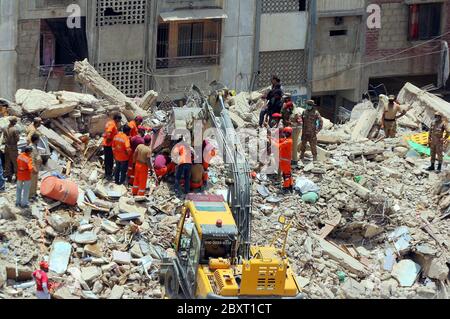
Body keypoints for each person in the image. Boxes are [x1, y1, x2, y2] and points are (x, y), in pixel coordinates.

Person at [103, 113, 122, 181]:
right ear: (116, 119)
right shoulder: (112, 124)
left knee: (107, 160)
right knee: (109, 160)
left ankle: (107, 173)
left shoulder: (109, 122)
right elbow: (109, 132)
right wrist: (110, 139)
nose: (119, 122)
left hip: (107, 144)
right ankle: (108, 174)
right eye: (119, 120)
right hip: (109, 145)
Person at [275, 127, 294, 192]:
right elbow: (280, 140)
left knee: (286, 175)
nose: (285, 134)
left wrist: (271, 141)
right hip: (285, 160)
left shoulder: (288, 141)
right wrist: (271, 138)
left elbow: (278, 145)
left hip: (285, 161)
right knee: (288, 173)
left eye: (286, 132)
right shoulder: (287, 139)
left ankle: (286, 187)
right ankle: (290, 185)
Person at [2, 117, 20, 182]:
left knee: (7, 163)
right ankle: (17, 177)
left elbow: (4, 137)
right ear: (14, 122)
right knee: (16, 163)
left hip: (6, 147)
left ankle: (9, 177)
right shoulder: (15, 129)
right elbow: (17, 139)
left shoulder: (4, 128)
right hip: (13, 148)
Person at [30, 134, 43, 201]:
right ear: (35, 140)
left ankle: (34, 193)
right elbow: (31, 159)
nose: (39, 141)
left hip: (36, 166)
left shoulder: (35, 146)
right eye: (38, 139)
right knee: (32, 181)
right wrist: (34, 168)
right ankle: (30, 195)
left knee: (35, 181)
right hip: (33, 167)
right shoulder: (31, 148)